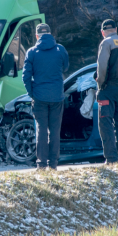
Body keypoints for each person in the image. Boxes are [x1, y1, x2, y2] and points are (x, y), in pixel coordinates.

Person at [22, 23, 69, 170]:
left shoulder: (32, 52)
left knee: (41, 130)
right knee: (55, 130)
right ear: (50, 33)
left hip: (40, 98)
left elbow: (25, 77)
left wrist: (32, 93)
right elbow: (66, 67)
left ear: (37, 35)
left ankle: (41, 164)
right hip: (57, 97)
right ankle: (53, 165)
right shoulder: (60, 49)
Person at [95, 19, 118, 165]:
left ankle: (111, 159)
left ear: (102, 32)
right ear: (116, 29)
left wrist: (100, 84)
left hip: (108, 88)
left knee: (105, 121)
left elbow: (102, 67)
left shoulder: (106, 43)